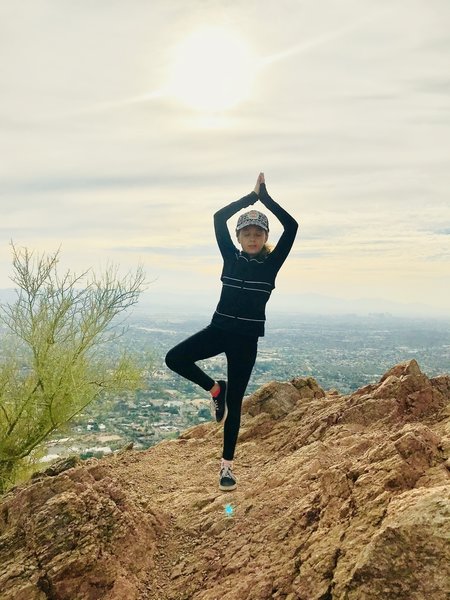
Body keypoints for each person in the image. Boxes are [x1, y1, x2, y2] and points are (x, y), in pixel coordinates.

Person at [165, 173, 298, 491]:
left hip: (245, 342)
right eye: (246, 233)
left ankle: (226, 468)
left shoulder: (271, 264)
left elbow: (292, 227)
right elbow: (218, 217)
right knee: (175, 358)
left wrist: (266, 200)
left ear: (265, 237)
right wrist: (249, 199)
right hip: (219, 330)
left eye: (258, 233)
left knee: (236, 405)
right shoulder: (229, 257)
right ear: (238, 237)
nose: (252, 238)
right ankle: (215, 389)